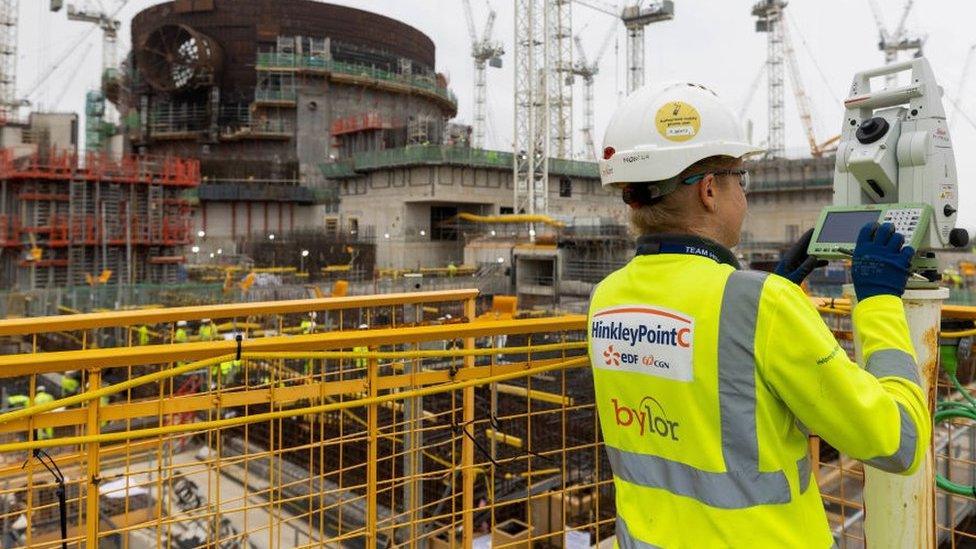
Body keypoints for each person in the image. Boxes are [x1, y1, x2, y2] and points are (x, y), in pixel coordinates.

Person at [589, 82, 929, 547]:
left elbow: (704, 394)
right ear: (710, 191)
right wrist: (880, 303)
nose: (743, 197)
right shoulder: (761, 306)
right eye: (740, 179)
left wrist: (773, 294)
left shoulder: (607, 297)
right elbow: (900, 440)